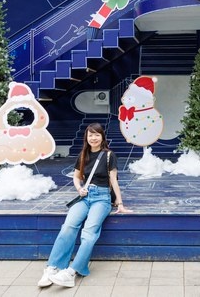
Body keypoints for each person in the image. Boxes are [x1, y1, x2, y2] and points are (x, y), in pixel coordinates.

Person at [38, 122, 132, 288]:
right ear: (86, 137)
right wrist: (79, 188)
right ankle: (53, 267)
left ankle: (71, 272)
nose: (93, 138)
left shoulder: (109, 155)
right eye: (90, 135)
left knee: (88, 233)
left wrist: (120, 203)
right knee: (68, 227)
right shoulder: (83, 155)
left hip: (102, 198)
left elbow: (114, 180)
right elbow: (76, 177)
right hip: (85, 197)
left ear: (102, 137)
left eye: (97, 135)